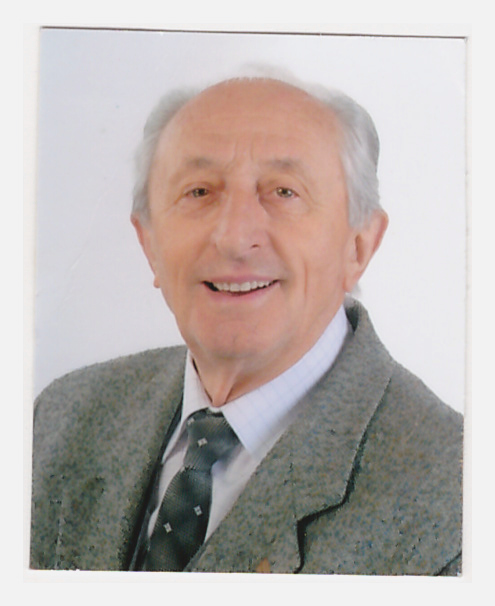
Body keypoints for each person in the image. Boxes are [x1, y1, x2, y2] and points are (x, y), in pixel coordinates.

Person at [30, 76, 463, 575]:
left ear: (358, 246)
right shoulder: (60, 418)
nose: (235, 238)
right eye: (199, 191)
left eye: (284, 192)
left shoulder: (457, 506)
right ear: (149, 242)